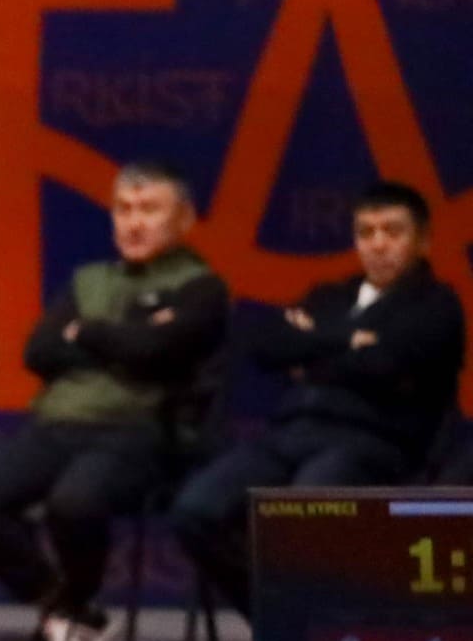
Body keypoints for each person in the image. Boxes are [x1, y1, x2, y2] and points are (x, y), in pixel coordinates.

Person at [0, 162, 228, 641]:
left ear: (184, 219)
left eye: (150, 210)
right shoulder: (89, 279)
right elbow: (40, 350)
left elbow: (156, 350)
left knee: (74, 504)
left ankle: (70, 614)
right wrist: (126, 339)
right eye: (124, 210)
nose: (134, 223)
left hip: (138, 431)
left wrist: (88, 332)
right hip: (55, 425)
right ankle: (67, 608)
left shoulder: (201, 288)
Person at [173, 181, 466, 615]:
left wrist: (314, 346)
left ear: (422, 241)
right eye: (365, 232)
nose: (377, 244)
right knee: (196, 510)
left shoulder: (437, 306)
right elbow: (267, 345)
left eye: (392, 231)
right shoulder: (331, 295)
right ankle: (280, 625)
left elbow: (385, 364)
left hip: (370, 441)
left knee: (302, 516)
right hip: (289, 434)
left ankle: (311, 630)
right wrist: (350, 340)